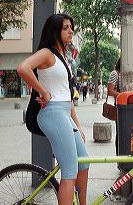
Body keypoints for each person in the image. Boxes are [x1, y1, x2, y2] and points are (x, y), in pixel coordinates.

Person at [17, 13, 89, 205]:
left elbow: (67, 95)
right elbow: (23, 68)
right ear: (55, 30)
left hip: (64, 113)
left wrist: (78, 126)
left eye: (71, 27)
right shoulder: (47, 53)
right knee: (69, 172)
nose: (70, 31)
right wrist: (43, 91)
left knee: (84, 162)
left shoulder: (63, 57)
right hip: (53, 114)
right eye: (65, 27)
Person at [107, 57, 121, 156]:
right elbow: (110, 91)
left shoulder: (123, 74)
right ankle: (119, 159)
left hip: (126, 107)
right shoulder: (115, 73)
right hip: (119, 107)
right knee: (120, 134)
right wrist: (122, 95)